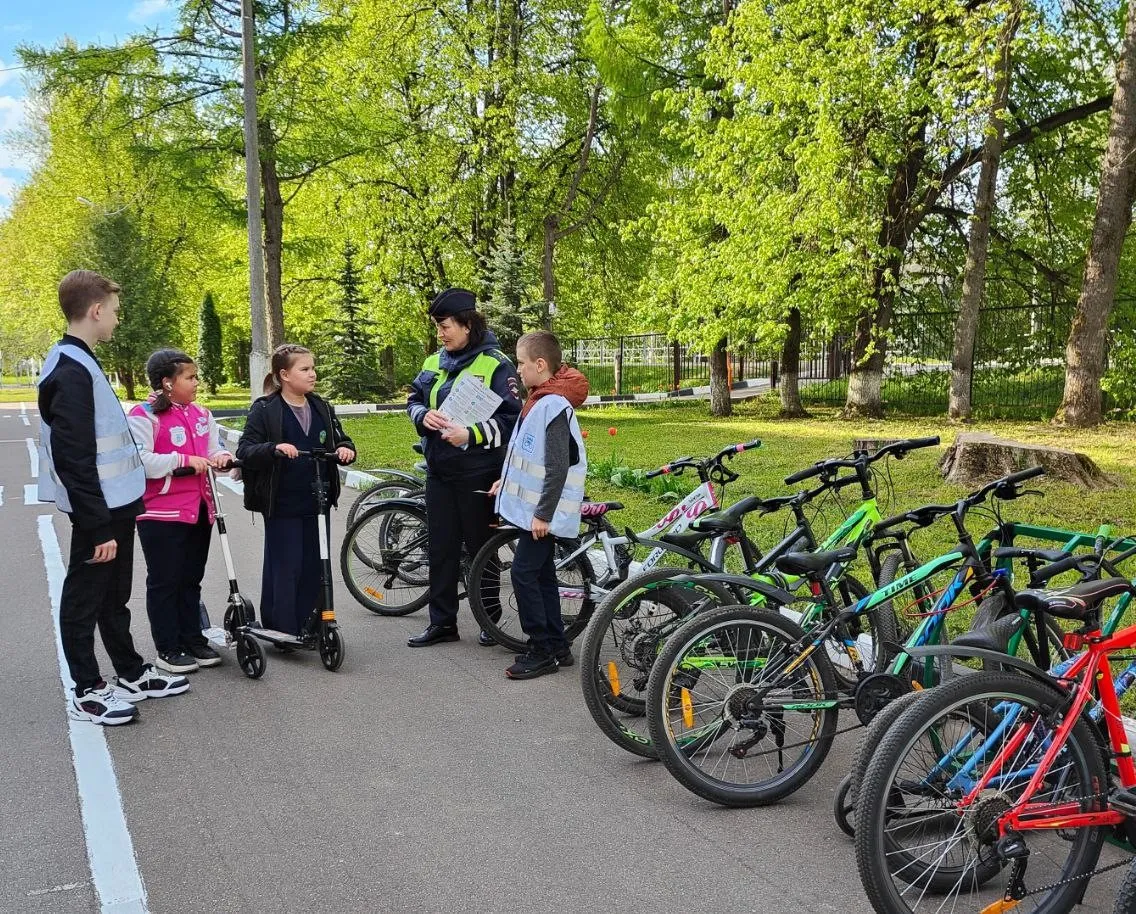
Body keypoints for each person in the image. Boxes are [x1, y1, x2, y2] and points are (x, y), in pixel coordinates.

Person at [37, 270, 190, 725]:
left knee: (114, 595)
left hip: (117, 503)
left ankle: (129, 672)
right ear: (96, 310)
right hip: (99, 512)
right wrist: (97, 524)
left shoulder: (80, 359)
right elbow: (74, 457)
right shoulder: (69, 369)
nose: (118, 320)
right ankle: (86, 690)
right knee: (84, 599)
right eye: (115, 312)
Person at [405, 288, 522, 647]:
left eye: (445, 327)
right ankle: (442, 623)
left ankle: (489, 620)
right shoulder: (433, 361)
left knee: (480, 548)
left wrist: (470, 434)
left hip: (478, 471)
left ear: (467, 325)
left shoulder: (496, 364)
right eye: (438, 327)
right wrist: (422, 415)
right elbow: (413, 398)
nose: (440, 334)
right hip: (439, 471)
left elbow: (512, 421)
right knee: (441, 549)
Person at [236, 344, 356, 638]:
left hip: (317, 500)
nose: (312, 374)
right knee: (286, 565)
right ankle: (283, 628)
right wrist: (274, 448)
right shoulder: (266, 410)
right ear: (284, 375)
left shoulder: (321, 407)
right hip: (283, 502)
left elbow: (342, 439)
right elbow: (245, 450)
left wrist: (345, 449)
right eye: (305, 369)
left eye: (313, 368)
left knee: (317, 564)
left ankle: (313, 624)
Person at [488, 331, 589, 679]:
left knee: (523, 574)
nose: (518, 370)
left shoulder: (551, 405)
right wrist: (505, 482)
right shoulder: (540, 399)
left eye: (521, 363)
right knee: (542, 576)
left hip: (541, 515)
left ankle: (541, 650)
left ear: (540, 364)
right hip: (534, 513)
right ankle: (557, 645)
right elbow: (528, 455)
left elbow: (558, 466)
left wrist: (543, 514)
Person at [127, 349, 233, 674]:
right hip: (161, 513)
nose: (197, 382)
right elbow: (142, 460)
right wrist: (182, 461)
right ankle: (168, 647)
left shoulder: (201, 413)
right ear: (168, 383)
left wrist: (221, 457)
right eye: (190, 377)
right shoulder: (143, 415)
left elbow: (212, 448)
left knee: (191, 579)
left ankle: (192, 638)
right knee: (165, 581)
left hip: (199, 509)